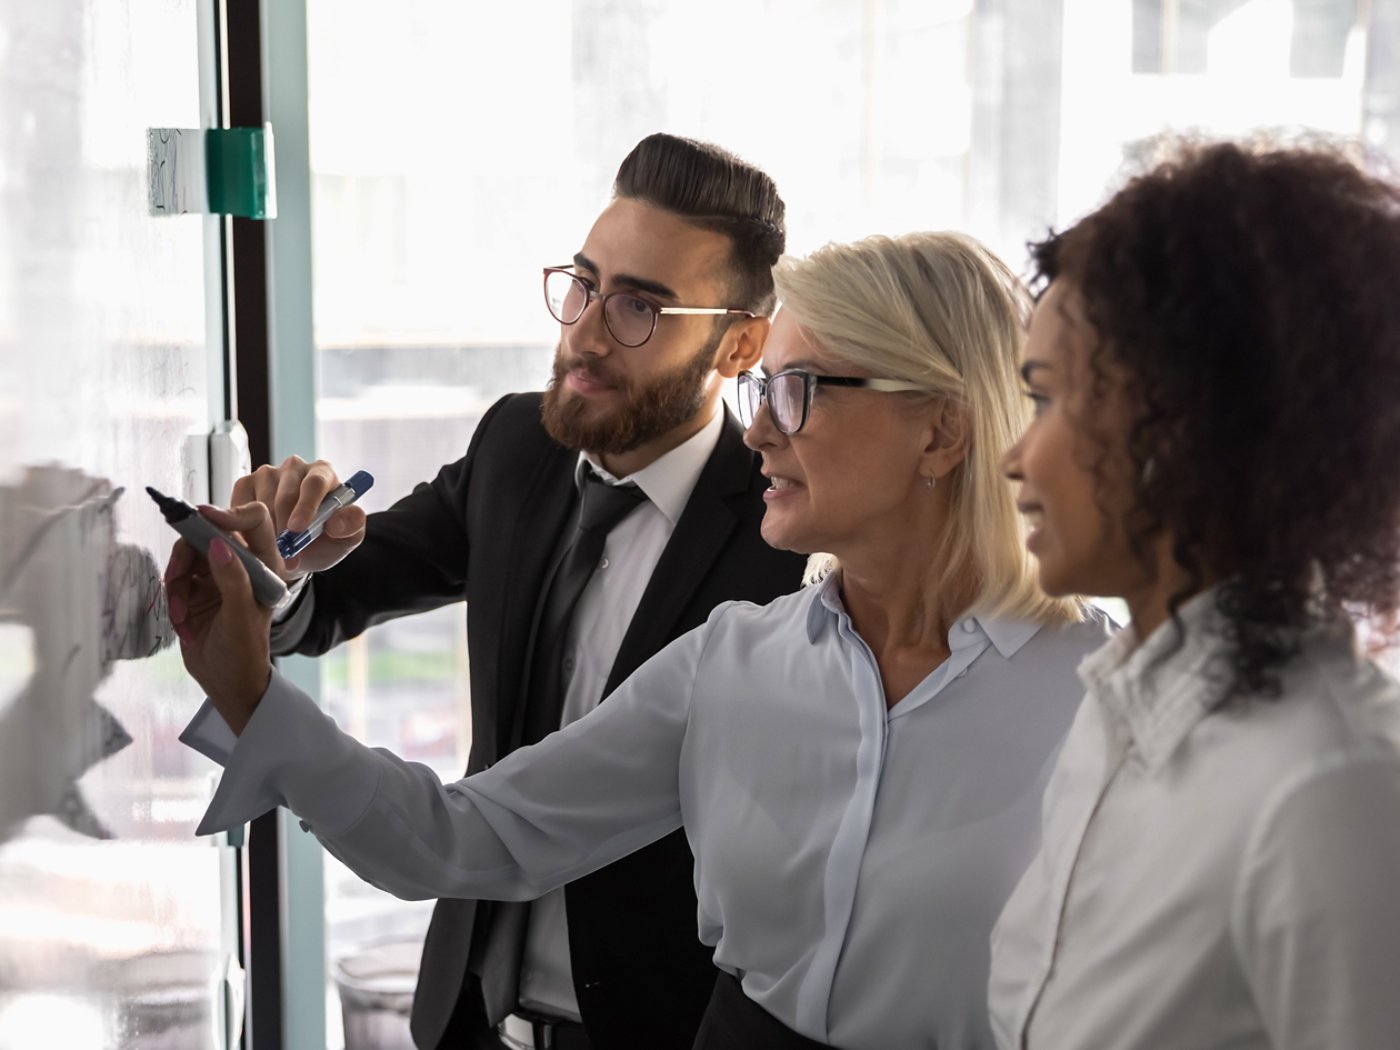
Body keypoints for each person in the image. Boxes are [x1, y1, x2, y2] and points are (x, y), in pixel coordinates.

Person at [166, 230, 1112, 1048]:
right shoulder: (731, 663)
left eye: (796, 392)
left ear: (942, 431)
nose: (758, 436)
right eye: (762, 393)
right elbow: (462, 838)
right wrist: (253, 699)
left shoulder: (1105, 700)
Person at [226, 133, 808, 1050]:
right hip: (467, 1012)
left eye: (638, 308)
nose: (582, 329)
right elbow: (342, 587)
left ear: (738, 344)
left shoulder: (787, 545)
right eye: (582, 284)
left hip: (665, 1029)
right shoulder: (517, 450)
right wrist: (284, 566)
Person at [992, 139, 1400, 1049]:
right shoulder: (1113, 710)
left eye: (1048, 397)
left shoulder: (1330, 787)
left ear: (1182, 422)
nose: (1016, 457)